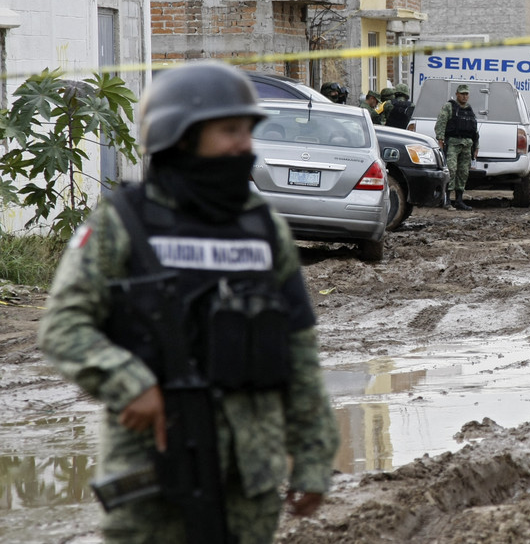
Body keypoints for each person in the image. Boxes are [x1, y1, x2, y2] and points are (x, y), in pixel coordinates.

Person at [37, 62, 339, 544]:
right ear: (179, 137)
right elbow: (62, 325)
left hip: (249, 479)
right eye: (229, 131)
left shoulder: (264, 228)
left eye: (247, 130)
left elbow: (299, 352)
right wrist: (128, 381)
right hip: (153, 470)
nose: (245, 144)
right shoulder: (123, 224)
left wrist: (313, 458)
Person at [435, 83, 479, 210]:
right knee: (451, 170)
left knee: (463, 172)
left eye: (467, 94)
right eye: (462, 94)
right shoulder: (449, 107)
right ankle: (447, 200)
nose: (465, 96)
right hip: (453, 144)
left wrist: (476, 146)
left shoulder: (469, 109)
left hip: (467, 145)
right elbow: (441, 123)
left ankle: (459, 200)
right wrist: (440, 140)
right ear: (457, 94)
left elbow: (474, 130)